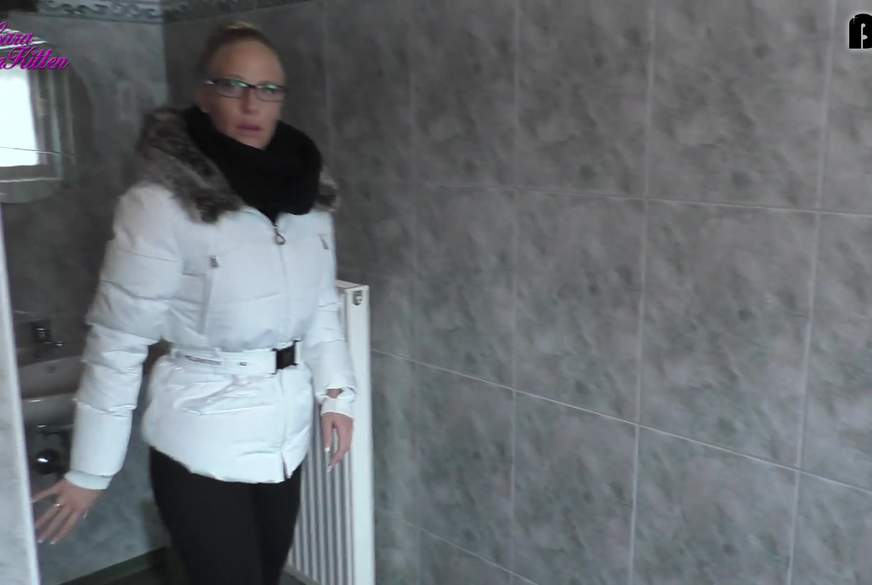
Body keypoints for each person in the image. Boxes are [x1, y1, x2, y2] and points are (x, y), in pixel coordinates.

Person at [30, 20, 357, 585]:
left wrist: (337, 395)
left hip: (285, 437)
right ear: (205, 95)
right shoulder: (161, 205)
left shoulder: (308, 200)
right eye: (234, 85)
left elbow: (322, 309)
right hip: (200, 440)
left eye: (268, 89)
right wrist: (90, 470)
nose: (252, 104)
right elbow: (118, 342)